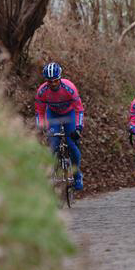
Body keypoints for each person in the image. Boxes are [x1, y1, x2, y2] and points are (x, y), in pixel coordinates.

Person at [35, 62, 85, 190]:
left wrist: (78, 128)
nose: (52, 84)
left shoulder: (70, 88)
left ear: (60, 78)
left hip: (70, 114)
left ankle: (77, 175)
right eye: (49, 81)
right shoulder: (42, 91)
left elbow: (79, 109)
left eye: (55, 81)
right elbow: (39, 112)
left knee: (72, 144)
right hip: (53, 114)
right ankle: (51, 175)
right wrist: (40, 127)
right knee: (53, 144)